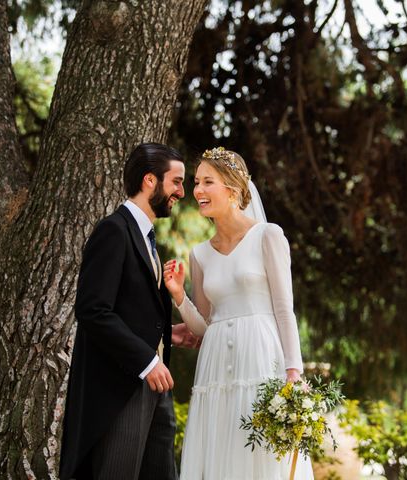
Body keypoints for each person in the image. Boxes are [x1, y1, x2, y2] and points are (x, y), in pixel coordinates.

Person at [163, 147, 314, 479]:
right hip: (216, 365)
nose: (197, 191)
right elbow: (202, 326)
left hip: (261, 356)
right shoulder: (199, 254)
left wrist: (294, 371)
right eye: (197, 182)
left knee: (261, 453)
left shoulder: (268, 236)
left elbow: (284, 309)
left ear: (232, 189)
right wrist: (178, 296)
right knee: (221, 447)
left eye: (207, 182)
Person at [60, 142, 198, 480]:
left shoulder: (147, 237)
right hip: (122, 389)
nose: (182, 192)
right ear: (150, 181)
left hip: (156, 388)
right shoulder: (113, 231)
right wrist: (147, 361)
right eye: (176, 182)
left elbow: (134, 310)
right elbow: (93, 310)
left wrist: (169, 333)